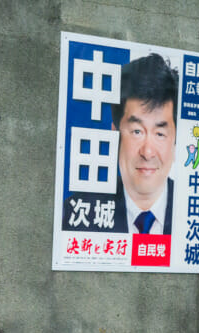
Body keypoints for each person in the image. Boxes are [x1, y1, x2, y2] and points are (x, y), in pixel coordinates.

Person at [62, 52, 179, 236]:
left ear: (175, 139)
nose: (148, 152)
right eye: (137, 132)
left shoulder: (194, 215)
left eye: (160, 133)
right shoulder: (78, 215)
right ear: (114, 133)